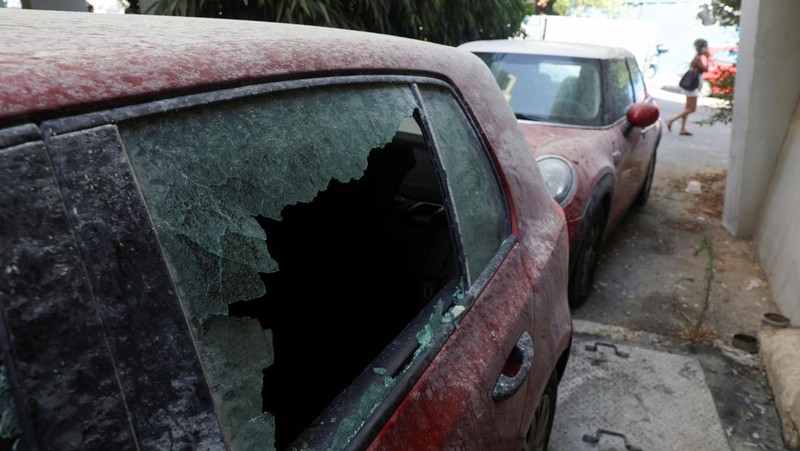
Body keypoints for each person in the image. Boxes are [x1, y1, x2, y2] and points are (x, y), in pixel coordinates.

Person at [667, 39, 710, 136]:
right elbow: (706, 69)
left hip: (689, 85)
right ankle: (671, 120)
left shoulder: (697, 57)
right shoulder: (699, 59)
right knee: (692, 108)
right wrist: (708, 58)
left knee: (687, 107)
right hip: (692, 86)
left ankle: (682, 128)